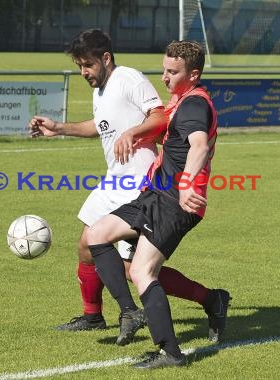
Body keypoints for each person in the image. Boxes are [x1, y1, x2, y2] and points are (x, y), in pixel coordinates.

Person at [30, 30, 229, 346]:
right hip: (115, 178)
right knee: (89, 246)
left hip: (137, 181)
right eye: (80, 66)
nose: (84, 72)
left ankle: (200, 300)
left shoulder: (129, 79)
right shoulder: (102, 90)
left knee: (132, 268)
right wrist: (60, 128)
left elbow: (159, 116)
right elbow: (102, 126)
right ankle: (95, 314)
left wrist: (132, 134)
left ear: (105, 58)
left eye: (87, 65)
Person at [87, 40, 228, 369]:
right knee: (96, 233)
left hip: (175, 201)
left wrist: (188, 183)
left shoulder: (195, 105)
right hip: (154, 194)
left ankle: (171, 353)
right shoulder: (180, 99)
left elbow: (199, 146)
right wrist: (135, 132)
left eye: (172, 72)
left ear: (193, 74)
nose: (164, 77)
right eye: (163, 69)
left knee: (142, 270)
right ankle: (134, 310)